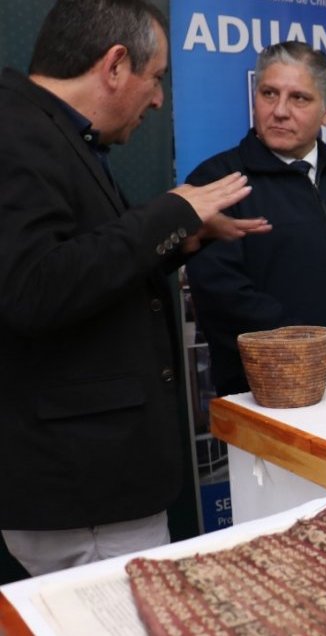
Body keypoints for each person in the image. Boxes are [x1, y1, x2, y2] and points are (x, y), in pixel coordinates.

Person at [0, 0, 266, 576]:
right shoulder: (16, 133)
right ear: (115, 65)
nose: (159, 99)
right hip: (84, 491)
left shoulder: (53, 131)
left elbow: (89, 269)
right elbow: (31, 289)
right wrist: (171, 212)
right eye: (157, 79)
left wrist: (185, 237)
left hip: (96, 482)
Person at [184, 41, 326, 397]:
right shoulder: (216, 182)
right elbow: (225, 298)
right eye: (269, 93)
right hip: (266, 397)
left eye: (299, 98)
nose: (280, 110)